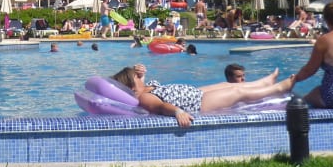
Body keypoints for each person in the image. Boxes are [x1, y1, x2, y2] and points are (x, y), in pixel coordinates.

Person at [111, 63, 293, 128]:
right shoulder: (143, 97)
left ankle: (263, 83)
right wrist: (178, 112)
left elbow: (142, 84)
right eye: (137, 77)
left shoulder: (144, 88)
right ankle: (277, 89)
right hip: (198, 103)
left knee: (227, 85)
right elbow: (160, 106)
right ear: (131, 85)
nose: (140, 77)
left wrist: (141, 75)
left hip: (195, 93)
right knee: (237, 92)